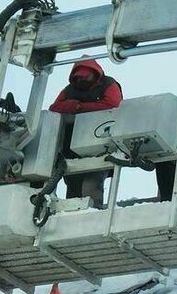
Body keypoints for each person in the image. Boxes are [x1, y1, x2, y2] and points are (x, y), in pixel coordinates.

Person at [49, 58, 122, 207]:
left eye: (84, 77)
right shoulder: (69, 89)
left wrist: (78, 107)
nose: (80, 81)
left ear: (94, 75)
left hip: (100, 145)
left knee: (92, 184)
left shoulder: (108, 84)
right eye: (77, 78)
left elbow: (113, 105)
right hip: (70, 147)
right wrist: (75, 106)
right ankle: (70, 219)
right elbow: (54, 108)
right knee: (72, 187)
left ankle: (93, 215)